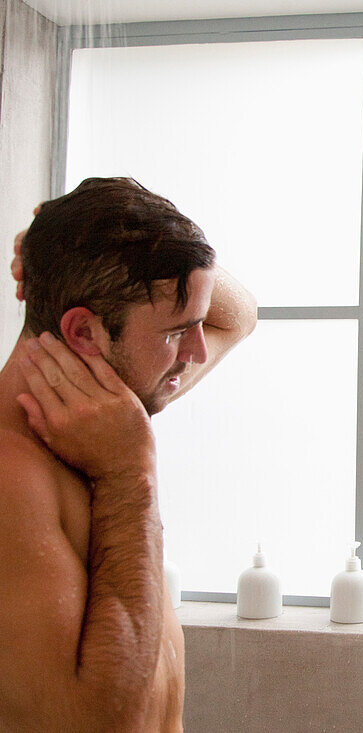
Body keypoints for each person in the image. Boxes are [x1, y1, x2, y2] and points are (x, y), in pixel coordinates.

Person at [0, 178, 257, 731]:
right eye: (178, 330)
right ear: (84, 332)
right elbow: (97, 725)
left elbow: (239, 315)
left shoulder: (107, 410)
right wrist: (128, 472)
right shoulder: (11, 478)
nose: (197, 351)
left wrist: (63, 236)